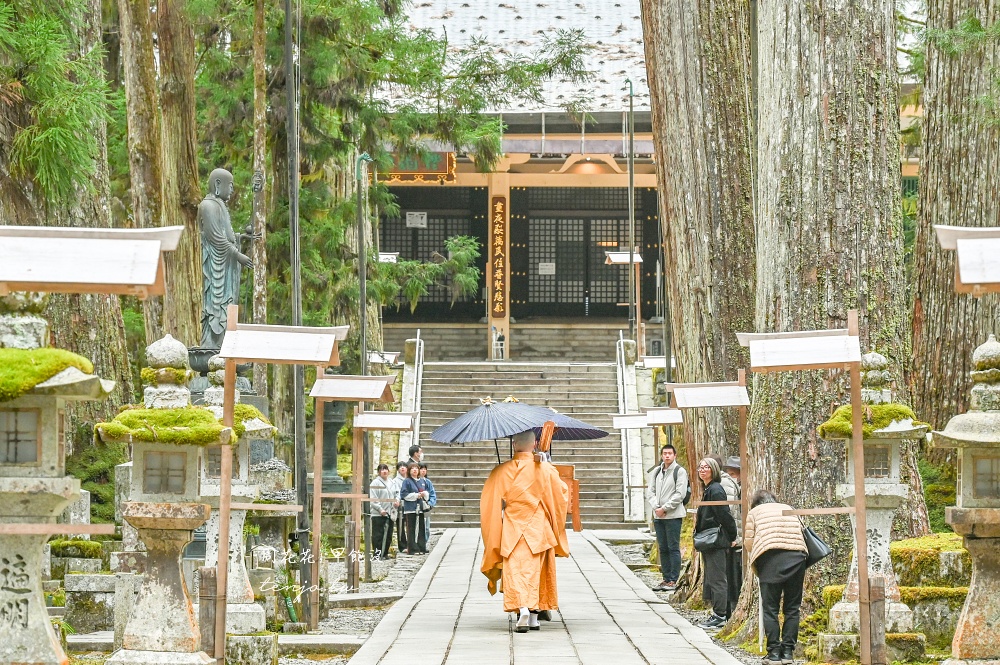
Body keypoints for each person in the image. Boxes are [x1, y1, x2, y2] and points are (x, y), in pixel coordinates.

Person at [480, 430, 569, 633]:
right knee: (538, 570)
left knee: (516, 570)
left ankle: (522, 608)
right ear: (535, 443)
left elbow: (489, 505)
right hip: (539, 528)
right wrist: (546, 464)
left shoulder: (501, 471)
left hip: (513, 527)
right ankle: (534, 617)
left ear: (514, 445)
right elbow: (561, 495)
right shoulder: (545, 469)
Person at [744, 490, 808, 665]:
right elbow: (802, 531)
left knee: (770, 607)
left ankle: (773, 653)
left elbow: (748, 542)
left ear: (756, 503)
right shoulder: (788, 508)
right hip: (797, 558)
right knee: (792, 608)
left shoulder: (754, 513)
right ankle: (787, 652)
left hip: (769, 559)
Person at [694, 456, 738, 629]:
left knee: (718, 578)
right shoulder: (708, 489)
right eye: (700, 467)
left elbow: (725, 515)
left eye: (706, 467)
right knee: (713, 577)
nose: (702, 470)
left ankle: (720, 615)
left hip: (716, 540)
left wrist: (732, 535)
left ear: (714, 470)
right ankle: (719, 612)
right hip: (710, 539)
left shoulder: (716, 489)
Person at [645, 444, 688, 591]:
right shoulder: (657, 471)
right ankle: (666, 577)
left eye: (670, 453)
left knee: (673, 547)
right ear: (662, 455)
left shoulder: (679, 471)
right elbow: (650, 491)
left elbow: (680, 494)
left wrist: (665, 508)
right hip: (658, 516)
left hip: (673, 515)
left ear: (675, 455)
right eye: (665, 453)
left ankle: (673, 579)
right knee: (662, 547)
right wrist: (656, 507)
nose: (667, 456)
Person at [721, 455, 744, 615]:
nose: (732, 477)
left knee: (735, 577)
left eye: (734, 474)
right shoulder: (731, 488)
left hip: (739, 540)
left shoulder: (743, 489)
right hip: (733, 540)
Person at [400, 462, 429, 554]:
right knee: (411, 529)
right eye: (412, 468)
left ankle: (421, 547)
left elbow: (426, 493)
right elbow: (404, 495)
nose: (415, 470)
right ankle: (413, 548)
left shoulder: (421, 481)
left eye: (416, 468)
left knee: (421, 528)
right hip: (411, 508)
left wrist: (424, 494)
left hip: (419, 508)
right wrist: (416, 495)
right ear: (409, 471)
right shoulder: (407, 481)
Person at [369, 464, 396, 559]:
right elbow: (373, 498)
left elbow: (396, 494)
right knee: (378, 535)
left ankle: (385, 553)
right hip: (378, 513)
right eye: (382, 469)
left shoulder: (392, 482)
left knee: (388, 534)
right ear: (379, 472)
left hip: (390, 512)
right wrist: (380, 509)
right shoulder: (375, 483)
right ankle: (377, 554)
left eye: (386, 469)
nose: (384, 471)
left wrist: (396, 501)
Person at [392, 460, 408, 554]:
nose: (402, 468)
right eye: (400, 466)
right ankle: (402, 546)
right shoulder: (395, 481)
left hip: (409, 505)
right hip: (400, 506)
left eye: (404, 466)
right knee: (400, 526)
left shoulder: (409, 479)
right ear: (398, 469)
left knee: (409, 526)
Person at [419, 463, 437, 545]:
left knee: (427, 527)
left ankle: (424, 543)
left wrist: (430, 503)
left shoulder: (428, 482)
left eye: (424, 469)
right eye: (421, 469)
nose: (423, 471)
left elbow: (433, 494)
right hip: (418, 506)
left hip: (426, 507)